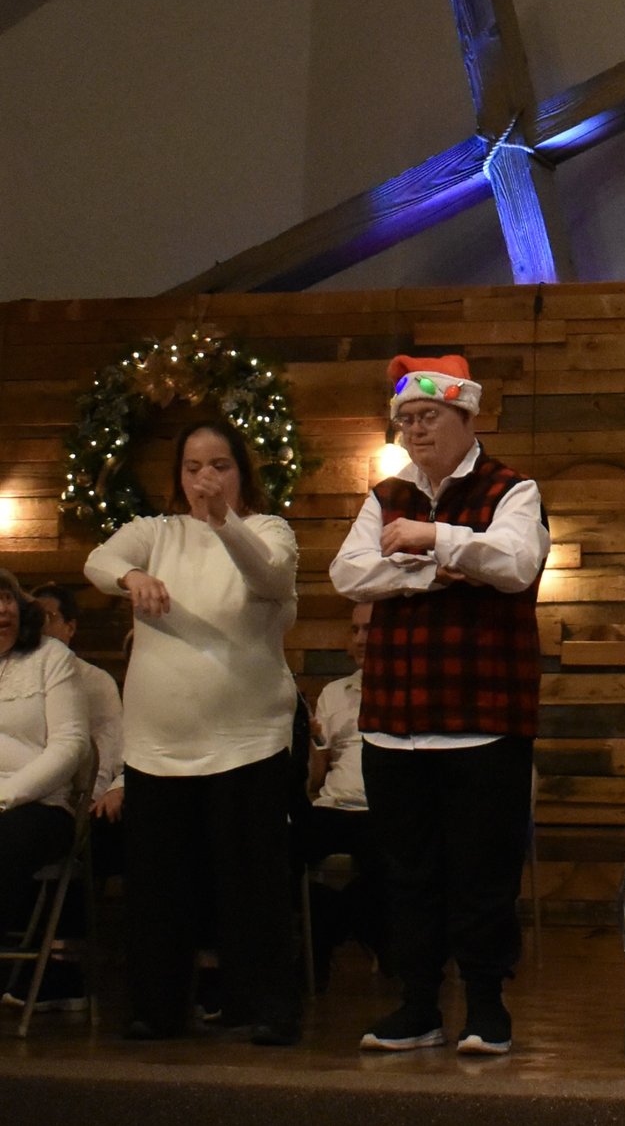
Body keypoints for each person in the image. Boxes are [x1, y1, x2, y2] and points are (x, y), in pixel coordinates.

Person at [330, 355, 547, 1056]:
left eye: (429, 416)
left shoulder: (513, 488)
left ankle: (487, 1006)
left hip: (483, 721)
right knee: (407, 874)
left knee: (483, 875)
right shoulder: (382, 495)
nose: (416, 430)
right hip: (394, 724)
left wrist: (433, 537)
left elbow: (515, 565)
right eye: (406, 420)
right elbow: (347, 573)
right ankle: (418, 1004)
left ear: (466, 416)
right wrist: (439, 571)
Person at [85, 418, 301, 1045]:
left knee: (251, 883)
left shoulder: (266, 529)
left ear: (241, 471)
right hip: (158, 745)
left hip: (247, 740)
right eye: (193, 468)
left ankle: (265, 1007)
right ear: (178, 477)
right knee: (159, 885)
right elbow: (99, 560)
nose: (205, 478)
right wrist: (134, 578)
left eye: (219, 466)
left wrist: (222, 519)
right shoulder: (156, 533)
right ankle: (156, 1007)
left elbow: (270, 578)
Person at [10, 583, 122, 1013]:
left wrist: (108, 790)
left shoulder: (92, 680)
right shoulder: (14, 671)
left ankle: (61, 974)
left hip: (78, 799)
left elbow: (107, 748)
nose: (37, 625)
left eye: (49, 618)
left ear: (71, 628)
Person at [0, 569, 90, 989]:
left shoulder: (52, 658)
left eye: (7, 599)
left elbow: (70, 747)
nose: (2, 609)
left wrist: (6, 794)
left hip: (41, 807)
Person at [304, 602, 387, 983]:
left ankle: (333, 930)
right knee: (283, 855)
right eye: (354, 630)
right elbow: (317, 772)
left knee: (391, 869)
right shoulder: (333, 693)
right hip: (332, 805)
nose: (360, 639)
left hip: (382, 809)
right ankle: (314, 950)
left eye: (368, 629)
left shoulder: (405, 689)